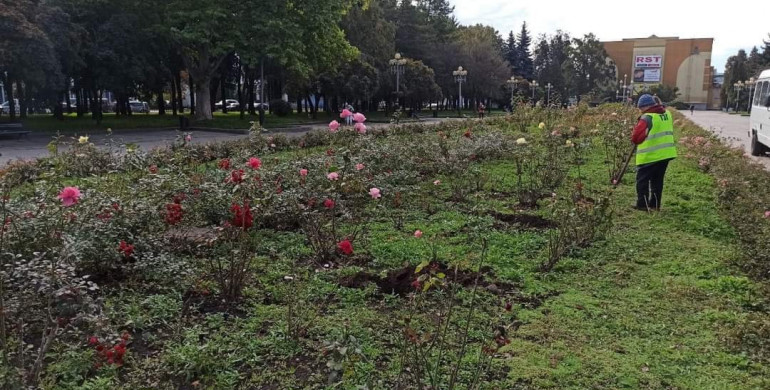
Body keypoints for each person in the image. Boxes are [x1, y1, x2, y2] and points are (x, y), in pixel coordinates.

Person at [631, 94, 677, 211]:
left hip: (650, 156)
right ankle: (655, 205)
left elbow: (636, 138)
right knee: (657, 181)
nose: (640, 111)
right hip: (665, 154)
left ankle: (642, 204)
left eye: (640, 108)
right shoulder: (667, 114)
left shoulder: (647, 118)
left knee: (642, 181)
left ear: (646, 106)